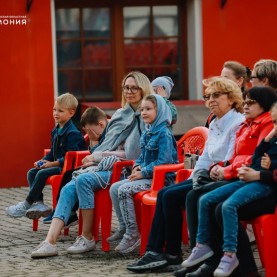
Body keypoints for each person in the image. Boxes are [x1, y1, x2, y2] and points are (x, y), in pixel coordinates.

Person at [127, 77, 245, 273]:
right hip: (207, 175)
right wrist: (194, 177)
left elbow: (230, 158)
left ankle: (183, 255)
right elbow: (206, 157)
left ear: (231, 98)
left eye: (217, 95)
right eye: (208, 96)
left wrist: (203, 176)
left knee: (177, 196)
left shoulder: (237, 123)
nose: (211, 101)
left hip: (225, 177)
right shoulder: (215, 122)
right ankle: (162, 253)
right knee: (167, 194)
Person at [30, 71, 152, 258]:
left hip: (125, 169)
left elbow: (133, 154)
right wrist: (96, 154)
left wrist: (98, 156)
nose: (129, 91)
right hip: (105, 165)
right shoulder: (120, 114)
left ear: (143, 89)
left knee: (83, 180)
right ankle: (50, 241)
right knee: (68, 187)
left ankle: (87, 237)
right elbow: (107, 142)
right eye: (126, 87)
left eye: (134, 87)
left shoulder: (146, 117)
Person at [180, 59, 277, 277]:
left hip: (262, 184)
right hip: (246, 177)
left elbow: (256, 157)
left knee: (215, 204)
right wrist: (221, 167)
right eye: (246, 102)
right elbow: (236, 156)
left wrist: (235, 170)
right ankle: (210, 255)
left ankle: (231, 261)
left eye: (250, 102)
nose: (245, 106)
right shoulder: (246, 124)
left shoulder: (263, 124)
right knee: (199, 196)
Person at [108, 94, 178, 254]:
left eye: (148, 109)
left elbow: (164, 162)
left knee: (124, 190)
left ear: (159, 111)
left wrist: (144, 172)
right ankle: (125, 227)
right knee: (114, 188)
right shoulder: (147, 131)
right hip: (147, 177)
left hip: (161, 181)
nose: (144, 112)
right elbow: (141, 156)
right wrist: (137, 167)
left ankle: (133, 234)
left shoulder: (164, 134)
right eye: (142, 109)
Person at [5, 92, 87, 219]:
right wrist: (43, 161)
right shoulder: (55, 130)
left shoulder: (73, 133)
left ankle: (27, 203)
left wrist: (51, 164)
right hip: (59, 166)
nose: (56, 113)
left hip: (69, 169)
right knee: (32, 172)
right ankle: (39, 203)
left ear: (71, 113)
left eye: (60, 111)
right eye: (54, 109)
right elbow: (52, 152)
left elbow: (70, 158)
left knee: (42, 173)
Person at [42, 106, 109, 226]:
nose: (88, 134)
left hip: (105, 169)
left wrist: (95, 143)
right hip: (95, 166)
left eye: (89, 131)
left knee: (77, 178)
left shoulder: (109, 135)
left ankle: (70, 212)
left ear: (101, 124)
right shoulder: (97, 133)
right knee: (69, 174)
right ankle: (66, 211)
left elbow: (104, 155)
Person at [206, 61, 251, 127]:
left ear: (239, 81)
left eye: (225, 78)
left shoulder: (249, 107)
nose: (221, 81)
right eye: (221, 78)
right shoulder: (214, 118)